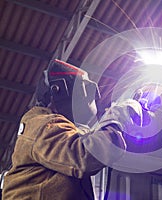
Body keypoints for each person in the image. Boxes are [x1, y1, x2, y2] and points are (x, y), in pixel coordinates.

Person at [1, 59, 145, 200]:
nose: (95, 96)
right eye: (84, 89)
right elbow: (85, 156)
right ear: (58, 90)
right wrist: (119, 116)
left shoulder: (61, 131)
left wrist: (126, 116)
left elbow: (94, 143)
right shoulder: (42, 124)